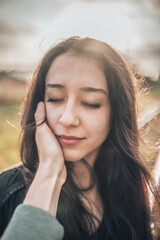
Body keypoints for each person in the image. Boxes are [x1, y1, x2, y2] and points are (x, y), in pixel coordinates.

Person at [0, 36, 159, 240]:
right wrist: (49, 170)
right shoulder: (6, 192)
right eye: (55, 98)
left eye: (91, 102)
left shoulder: (131, 187)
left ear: (117, 112)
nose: (67, 119)